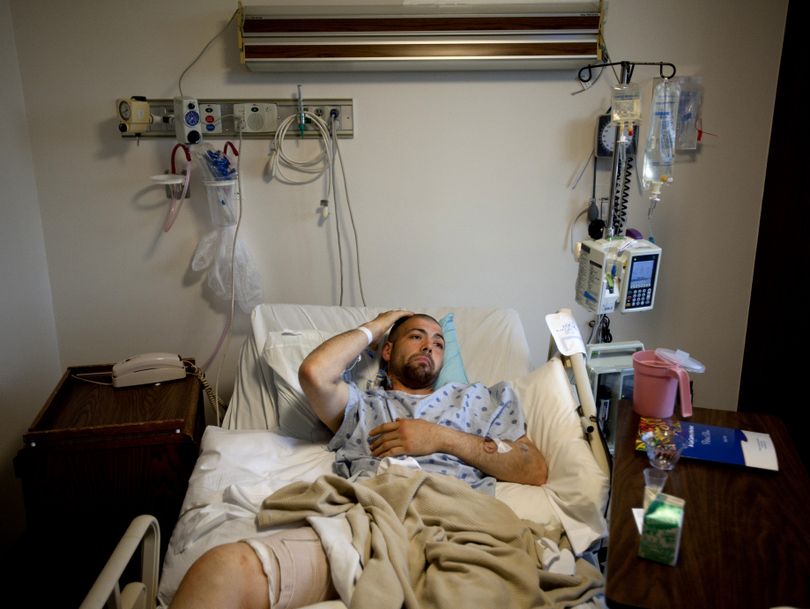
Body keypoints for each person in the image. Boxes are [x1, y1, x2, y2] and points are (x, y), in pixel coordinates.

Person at [170, 310, 547, 609]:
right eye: (415, 336)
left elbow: (534, 468)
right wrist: (378, 325)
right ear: (387, 350)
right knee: (222, 571)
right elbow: (314, 373)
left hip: (463, 523)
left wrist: (439, 438)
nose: (429, 347)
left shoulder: (479, 399)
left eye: (437, 342)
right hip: (370, 521)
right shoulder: (364, 405)